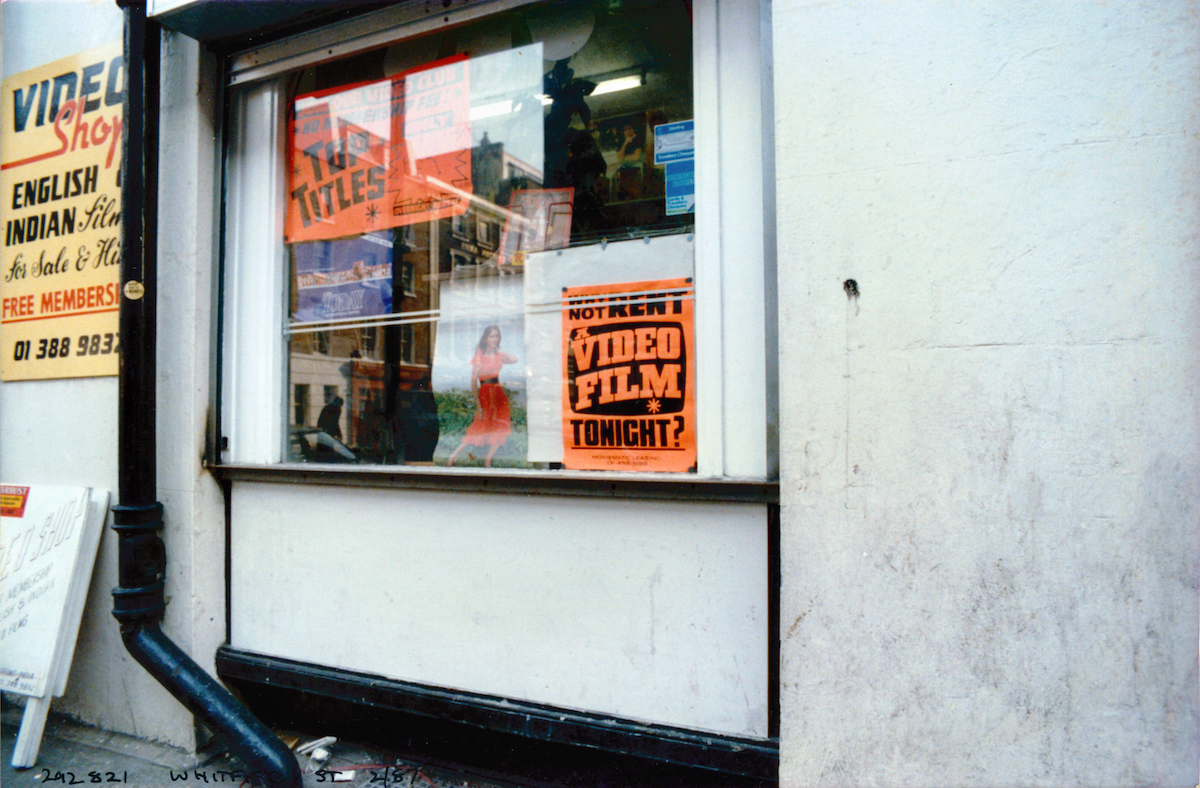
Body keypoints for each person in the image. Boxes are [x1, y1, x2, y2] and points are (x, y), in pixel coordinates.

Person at [447, 325, 518, 468]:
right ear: (486, 339)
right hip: (486, 393)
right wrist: (478, 405)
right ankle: (453, 455)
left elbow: (514, 359)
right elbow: (473, 380)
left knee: (501, 425)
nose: (494, 339)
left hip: (499, 393)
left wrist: (499, 350)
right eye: (491, 336)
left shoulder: (498, 355)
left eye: (496, 336)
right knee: (481, 425)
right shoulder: (479, 356)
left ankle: (488, 460)